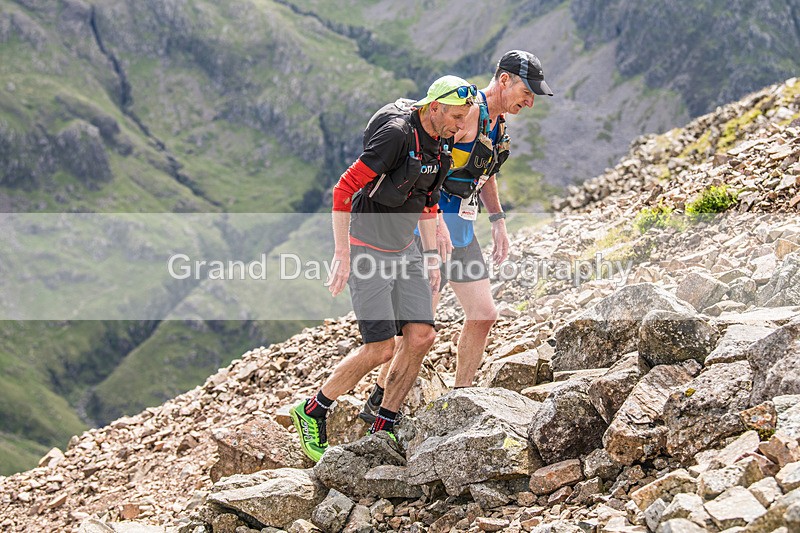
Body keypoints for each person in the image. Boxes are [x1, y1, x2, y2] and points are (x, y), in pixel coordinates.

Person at [359, 50, 554, 423]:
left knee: (483, 314)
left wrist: (497, 219)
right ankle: (380, 409)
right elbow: (426, 164)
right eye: (527, 92)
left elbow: (486, 170)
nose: (529, 102)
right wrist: (436, 220)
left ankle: (461, 400)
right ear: (505, 80)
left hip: (461, 227)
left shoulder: (497, 124)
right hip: (431, 229)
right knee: (418, 329)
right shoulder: (467, 114)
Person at [289, 76, 475, 462]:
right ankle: (313, 410)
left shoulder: (443, 147)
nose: (461, 126)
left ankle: (383, 425)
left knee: (422, 336)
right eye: (456, 117)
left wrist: (429, 257)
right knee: (380, 348)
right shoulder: (396, 136)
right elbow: (344, 188)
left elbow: (427, 202)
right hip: (367, 248)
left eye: (465, 119)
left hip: (406, 249)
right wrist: (342, 251)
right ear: (434, 107)